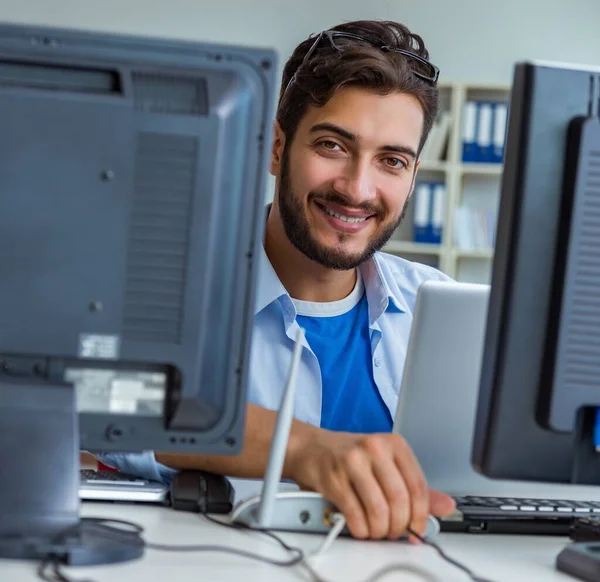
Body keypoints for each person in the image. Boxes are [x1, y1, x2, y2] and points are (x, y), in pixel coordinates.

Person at [98, 19, 456, 540]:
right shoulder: (173, 288)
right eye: (332, 145)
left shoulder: (440, 305)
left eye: (391, 161)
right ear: (276, 147)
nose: (358, 189)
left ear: (413, 175)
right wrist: (302, 448)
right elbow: (108, 403)